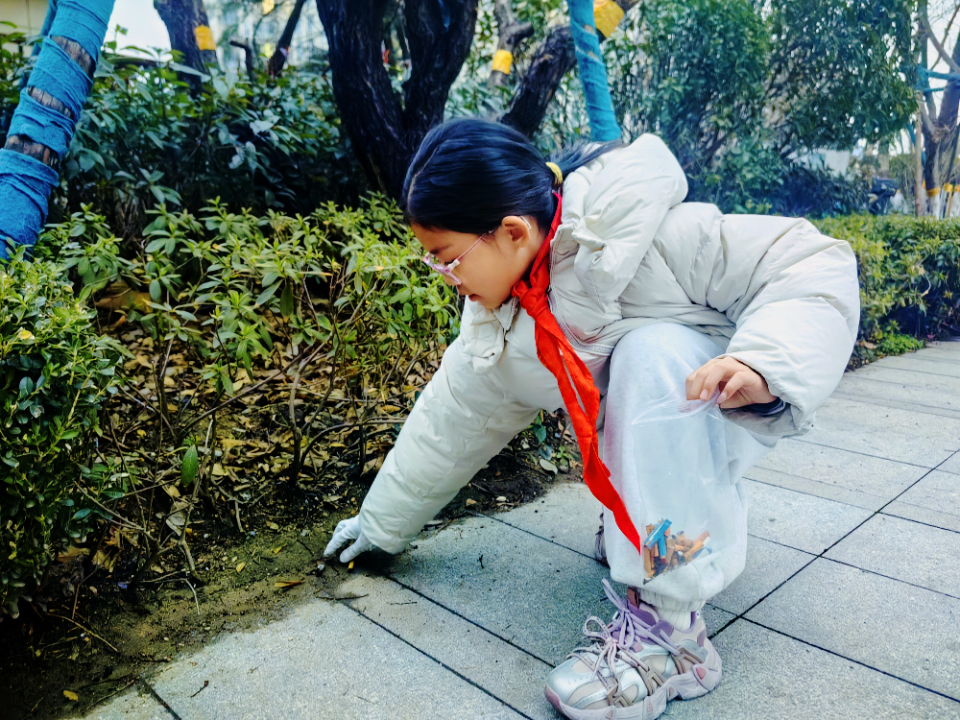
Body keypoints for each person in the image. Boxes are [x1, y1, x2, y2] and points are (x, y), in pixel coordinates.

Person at [324, 118, 859, 719]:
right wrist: (378, 527)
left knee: (648, 353)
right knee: (624, 378)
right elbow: (450, 425)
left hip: (724, 408)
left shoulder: (649, 238)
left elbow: (811, 262)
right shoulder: (502, 318)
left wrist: (762, 363)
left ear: (512, 232)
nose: (444, 278)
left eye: (447, 259)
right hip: (652, 442)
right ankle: (644, 530)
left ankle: (672, 639)